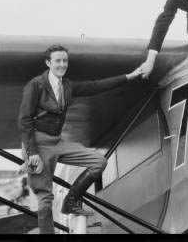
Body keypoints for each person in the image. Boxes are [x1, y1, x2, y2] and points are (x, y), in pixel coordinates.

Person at [18, 44, 142, 234]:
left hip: (57, 142)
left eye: (65, 61)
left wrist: (128, 77)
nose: (62, 64)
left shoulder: (67, 85)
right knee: (44, 199)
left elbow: (95, 86)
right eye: (58, 61)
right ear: (48, 63)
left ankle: (70, 201)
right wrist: (32, 153)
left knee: (99, 162)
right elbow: (24, 121)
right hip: (37, 145)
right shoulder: (35, 85)